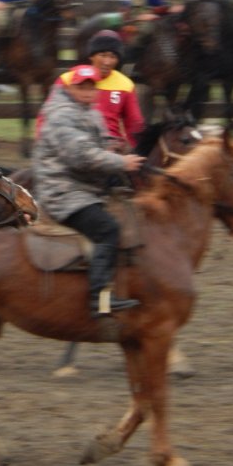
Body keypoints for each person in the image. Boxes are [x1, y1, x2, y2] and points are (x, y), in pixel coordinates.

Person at [33, 64, 145, 317]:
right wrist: (121, 163)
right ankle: (99, 297)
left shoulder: (91, 113)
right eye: (81, 86)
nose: (86, 91)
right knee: (108, 229)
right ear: (70, 88)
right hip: (63, 192)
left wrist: (115, 147)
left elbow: (98, 145)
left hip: (85, 188)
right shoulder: (61, 116)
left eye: (91, 87)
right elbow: (81, 156)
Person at [37, 30, 144, 149]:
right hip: (74, 145)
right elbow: (46, 116)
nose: (107, 62)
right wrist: (42, 144)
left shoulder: (125, 85)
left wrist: (137, 150)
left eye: (113, 57)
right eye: (102, 55)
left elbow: (135, 123)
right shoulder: (68, 79)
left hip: (111, 147)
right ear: (91, 56)